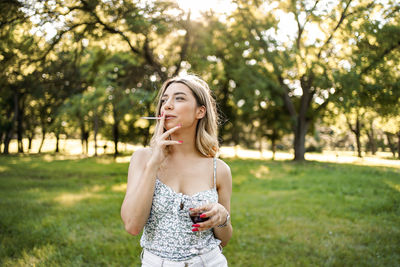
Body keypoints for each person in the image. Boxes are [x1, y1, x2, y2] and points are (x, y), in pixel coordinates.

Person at [121, 74, 233, 266]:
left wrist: (222, 217)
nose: (167, 105)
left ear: (200, 111)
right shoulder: (142, 159)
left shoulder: (219, 170)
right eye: (164, 100)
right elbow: (132, 226)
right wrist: (153, 165)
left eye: (179, 98)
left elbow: (223, 239)